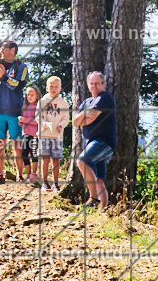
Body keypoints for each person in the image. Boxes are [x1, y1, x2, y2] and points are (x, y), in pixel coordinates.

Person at [72, 71, 116, 210]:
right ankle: (102, 211)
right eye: (91, 83)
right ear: (88, 85)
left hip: (103, 142)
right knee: (99, 179)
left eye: (97, 83)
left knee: (82, 161)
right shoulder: (86, 102)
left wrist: (83, 118)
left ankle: (93, 198)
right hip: (92, 142)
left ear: (103, 84)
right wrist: (84, 114)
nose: (94, 86)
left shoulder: (105, 97)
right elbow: (74, 122)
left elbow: (91, 118)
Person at [0, 40, 29, 184]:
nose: (1, 50)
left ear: (12, 50)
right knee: (0, 144)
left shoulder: (22, 67)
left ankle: (19, 175)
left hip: (15, 112)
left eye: (4, 48)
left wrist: (4, 77)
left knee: (17, 145)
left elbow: (17, 86)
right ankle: (0, 175)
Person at [38, 75, 70, 192]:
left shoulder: (63, 103)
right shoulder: (42, 101)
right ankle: (45, 183)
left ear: (60, 89)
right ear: (47, 88)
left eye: (56, 87)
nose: (53, 89)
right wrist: (46, 124)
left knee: (56, 160)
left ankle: (56, 184)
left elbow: (66, 118)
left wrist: (61, 124)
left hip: (57, 136)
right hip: (44, 135)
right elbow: (38, 117)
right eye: (51, 86)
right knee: (45, 159)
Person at [18, 86, 40, 182]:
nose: (30, 97)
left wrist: (25, 120)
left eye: (32, 95)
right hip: (26, 134)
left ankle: (34, 175)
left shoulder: (37, 107)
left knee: (34, 154)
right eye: (28, 95)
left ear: (37, 96)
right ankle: (28, 175)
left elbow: (37, 121)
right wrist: (20, 121)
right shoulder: (25, 107)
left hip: (35, 134)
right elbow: (23, 122)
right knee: (24, 154)